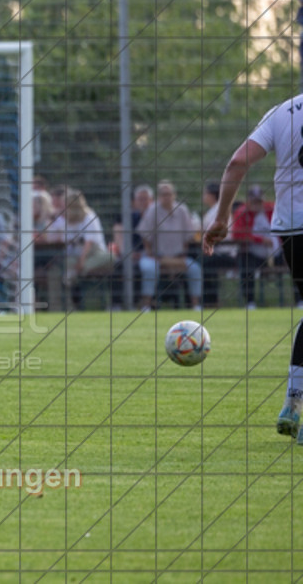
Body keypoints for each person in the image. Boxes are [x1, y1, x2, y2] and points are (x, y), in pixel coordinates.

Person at [202, 93, 303, 443]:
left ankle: (293, 401)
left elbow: (236, 163)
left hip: (292, 229)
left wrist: (222, 216)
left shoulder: (283, 111)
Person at [136, 180, 202, 311]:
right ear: (158, 196)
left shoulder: (182, 210)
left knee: (195, 269)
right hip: (155, 257)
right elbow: (145, 236)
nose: (166, 197)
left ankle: (196, 305)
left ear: (174, 194)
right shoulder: (152, 211)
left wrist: (182, 254)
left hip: (178, 257)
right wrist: (151, 254)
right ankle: (146, 305)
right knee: (149, 269)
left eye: (169, 194)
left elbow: (189, 236)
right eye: (163, 194)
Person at [230, 184, 277, 309]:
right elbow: (237, 234)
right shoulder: (241, 212)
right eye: (254, 202)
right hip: (253, 253)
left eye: (259, 201)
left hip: (276, 252)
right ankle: (250, 302)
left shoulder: (273, 209)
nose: (256, 205)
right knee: (246, 266)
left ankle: (299, 300)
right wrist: (260, 240)